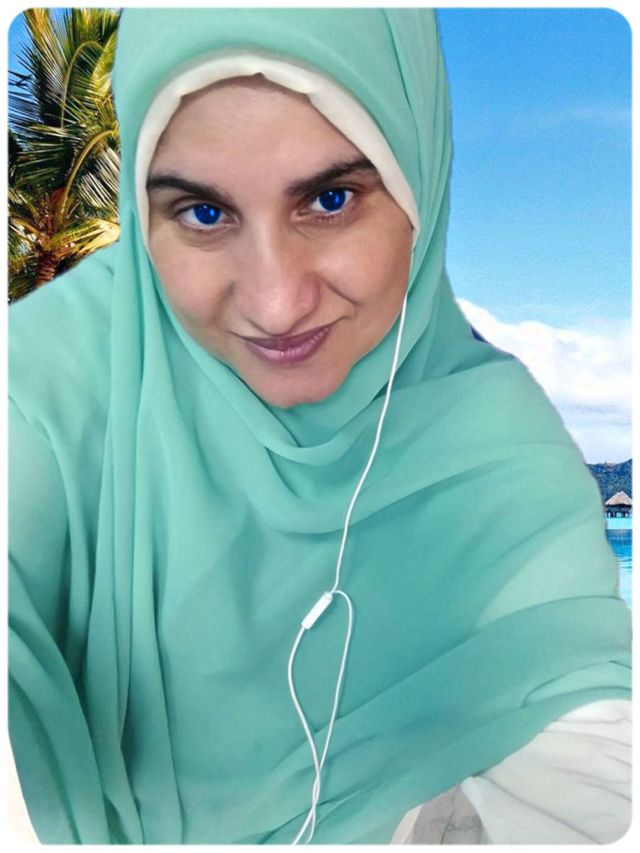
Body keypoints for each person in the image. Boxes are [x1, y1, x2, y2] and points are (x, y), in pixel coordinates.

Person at [8, 7, 631, 845]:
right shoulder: (45, 384)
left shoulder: (503, 458)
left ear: (421, 180)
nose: (275, 303)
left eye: (330, 200)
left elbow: (580, 734)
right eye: (203, 214)